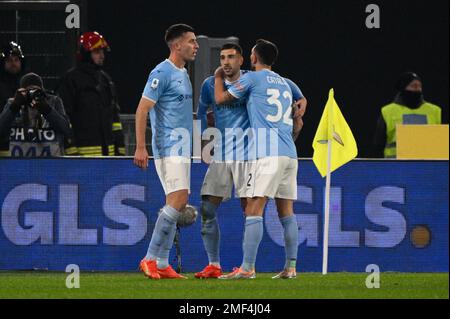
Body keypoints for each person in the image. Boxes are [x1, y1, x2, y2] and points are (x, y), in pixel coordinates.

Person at [195, 43, 306, 279]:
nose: (225, 62)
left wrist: (216, 77)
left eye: (231, 57)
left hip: (265, 153)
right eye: (222, 58)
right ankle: (291, 267)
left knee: (253, 209)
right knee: (286, 212)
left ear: (249, 58)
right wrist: (302, 101)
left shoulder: (252, 80)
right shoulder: (282, 82)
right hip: (289, 152)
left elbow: (220, 98)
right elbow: (298, 106)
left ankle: (247, 268)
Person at [134, 24, 199, 280]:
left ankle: (162, 263)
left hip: (182, 148)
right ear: (176, 45)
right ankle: (150, 258)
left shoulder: (182, 72)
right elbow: (142, 110)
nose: (195, 46)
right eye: (191, 41)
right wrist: (141, 146)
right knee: (179, 200)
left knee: (175, 203)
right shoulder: (161, 72)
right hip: (168, 146)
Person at [57, 31, 125, 156]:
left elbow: (114, 117)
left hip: (109, 155)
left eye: (102, 51)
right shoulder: (71, 80)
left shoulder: (106, 80)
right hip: (82, 156)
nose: (102, 55)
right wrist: (71, 150)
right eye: (97, 52)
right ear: (86, 54)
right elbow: (65, 118)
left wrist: (120, 147)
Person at [0, 73, 72, 157]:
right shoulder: (13, 103)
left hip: (52, 164)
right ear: (22, 91)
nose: (32, 95)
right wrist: (15, 106)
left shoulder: (53, 101)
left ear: (42, 91)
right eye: (28, 91)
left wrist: (46, 109)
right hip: (20, 164)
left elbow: (65, 129)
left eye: (36, 91)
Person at [373, 72, 442, 158]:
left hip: (427, 167)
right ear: (403, 88)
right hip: (395, 166)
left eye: (419, 86)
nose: (417, 90)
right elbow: (378, 144)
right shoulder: (388, 111)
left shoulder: (435, 111)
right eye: (413, 86)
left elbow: (441, 142)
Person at [0, 41, 25, 156]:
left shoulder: (27, 83)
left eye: (16, 60)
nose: (13, 63)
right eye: (9, 60)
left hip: (25, 145)